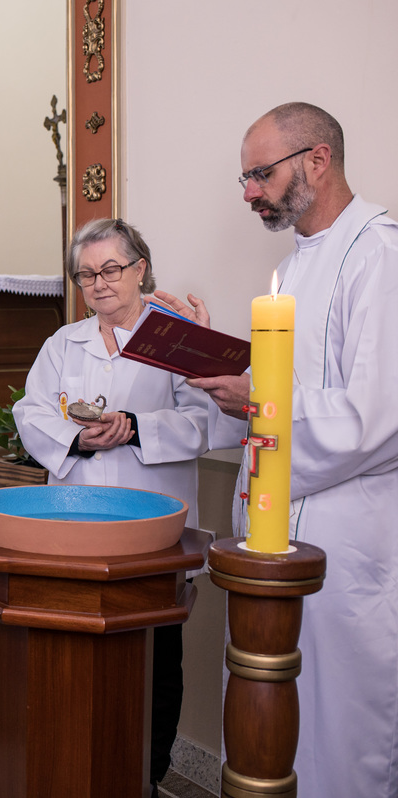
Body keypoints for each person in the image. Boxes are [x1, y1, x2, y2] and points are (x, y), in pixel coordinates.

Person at [157, 102, 398, 797]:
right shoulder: (293, 269)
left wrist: (257, 398)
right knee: (267, 722)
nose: (248, 193)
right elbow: (289, 391)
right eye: (245, 178)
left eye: (260, 174)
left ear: (318, 160)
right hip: (274, 535)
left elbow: (375, 417)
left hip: (346, 542)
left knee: (338, 730)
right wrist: (213, 362)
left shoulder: (379, 255)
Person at [12, 218, 209, 795]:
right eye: (86, 274)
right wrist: (76, 438)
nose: (98, 283)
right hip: (76, 520)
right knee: (76, 651)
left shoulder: (173, 338)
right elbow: (31, 411)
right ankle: (77, 767)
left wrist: (136, 428)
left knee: (155, 658)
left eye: (111, 269)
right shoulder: (63, 342)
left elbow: (210, 418)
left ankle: (145, 776)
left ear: (140, 269)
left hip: (153, 525)